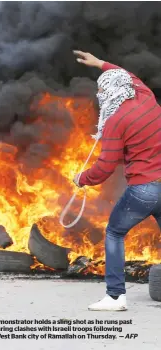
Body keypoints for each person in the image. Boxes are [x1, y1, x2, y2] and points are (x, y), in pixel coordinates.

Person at [73, 50, 161, 311]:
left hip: (144, 189)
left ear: (110, 92)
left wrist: (81, 179)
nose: (100, 96)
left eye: (101, 91)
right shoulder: (144, 94)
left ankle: (115, 297)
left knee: (114, 232)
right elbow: (126, 76)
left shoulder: (115, 122)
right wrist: (99, 63)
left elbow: (104, 168)